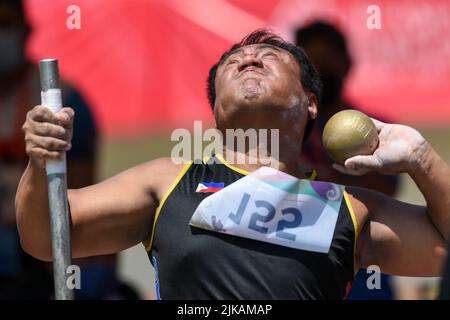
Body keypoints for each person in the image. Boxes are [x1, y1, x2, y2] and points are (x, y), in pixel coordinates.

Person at [15, 30, 449, 299]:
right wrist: (39, 162)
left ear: (311, 103)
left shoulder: (347, 208)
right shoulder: (170, 180)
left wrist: (421, 158)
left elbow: (441, 256)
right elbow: (46, 235)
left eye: (270, 58)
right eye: (231, 63)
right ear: (218, 112)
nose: (248, 59)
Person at [0, 0, 138, 300]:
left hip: (38, 254)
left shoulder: (64, 101)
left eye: (5, 25)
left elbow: (78, 205)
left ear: (27, 31)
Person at [295, 21, 399, 299]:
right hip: (299, 263)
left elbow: (385, 190)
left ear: (347, 63)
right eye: (311, 64)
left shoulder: (377, 128)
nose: (320, 71)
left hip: (363, 265)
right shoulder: (284, 132)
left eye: (326, 61)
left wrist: (313, 175)